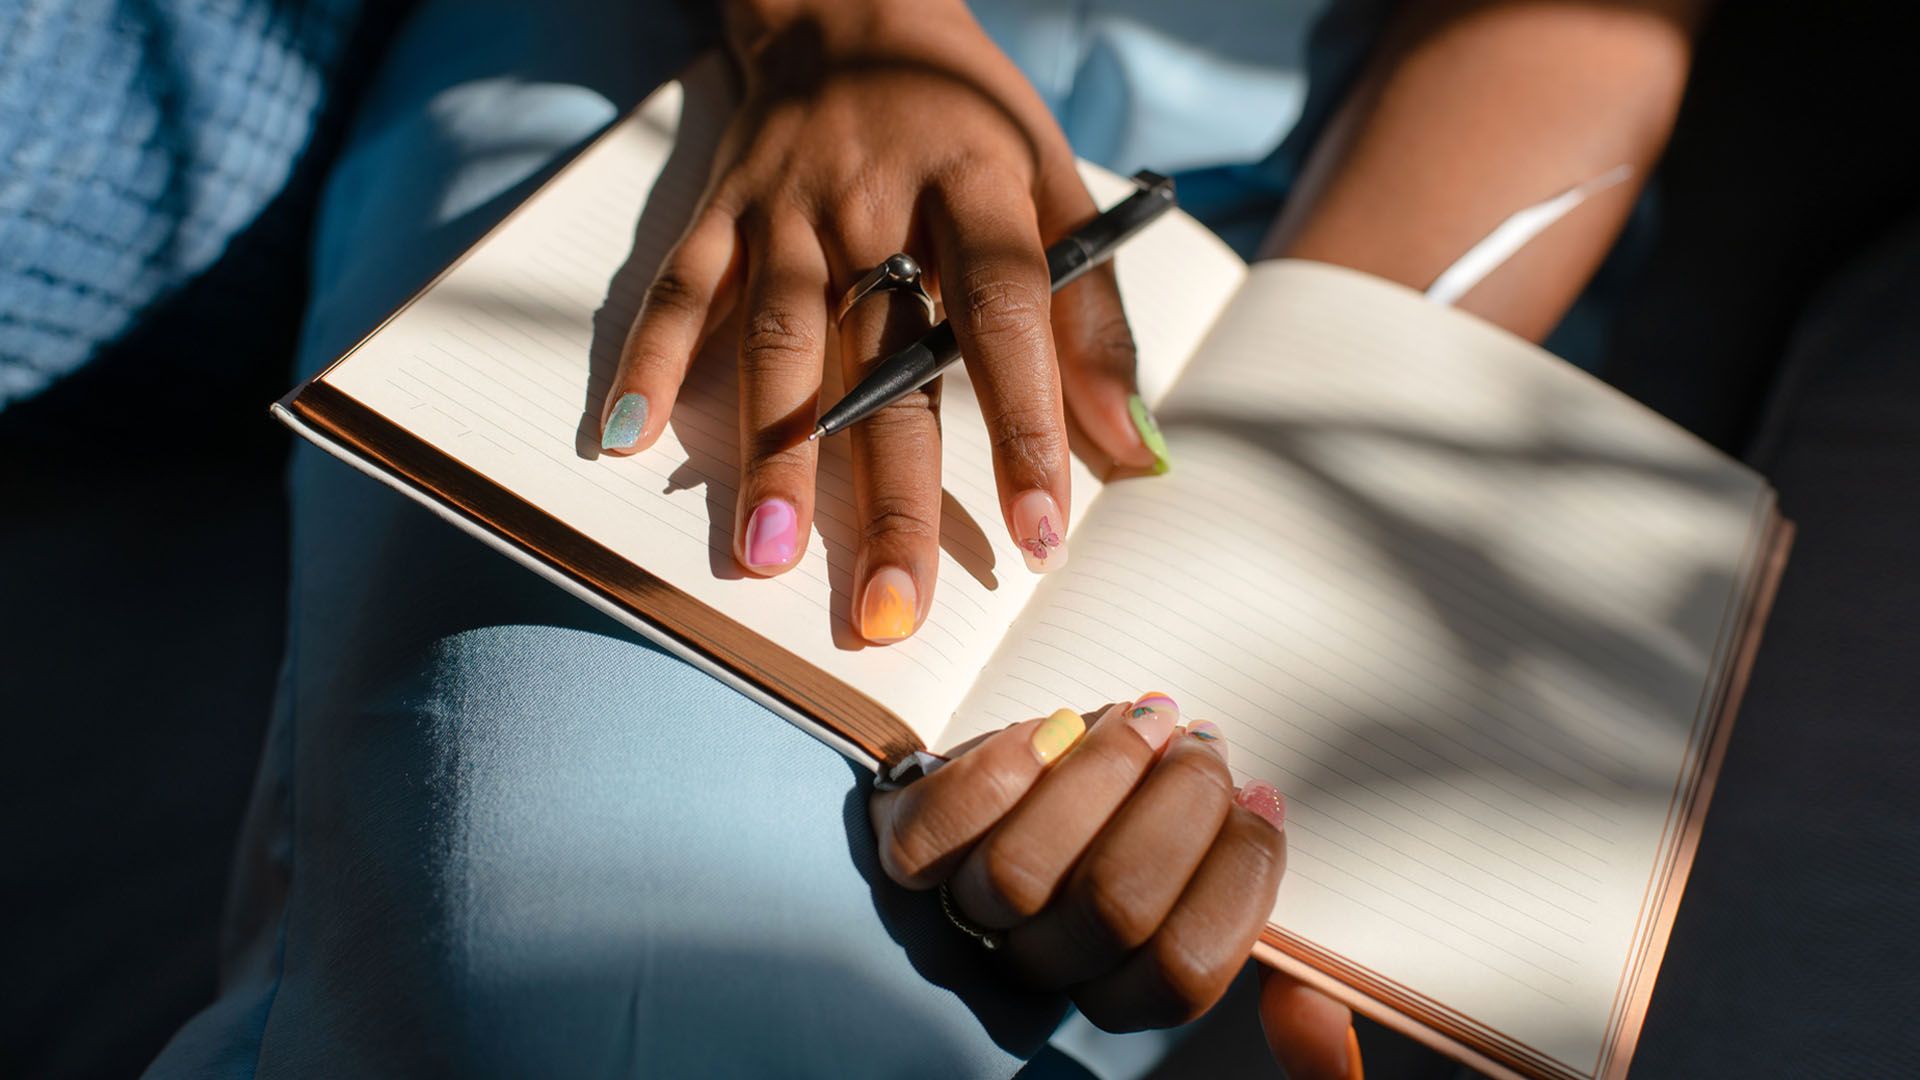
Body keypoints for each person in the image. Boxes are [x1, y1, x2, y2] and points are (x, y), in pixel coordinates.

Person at [146, 1, 1708, 1076]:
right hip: (708, 55)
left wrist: (1251, 501)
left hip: (1301, 207)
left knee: (1035, 903)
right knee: (569, 983)